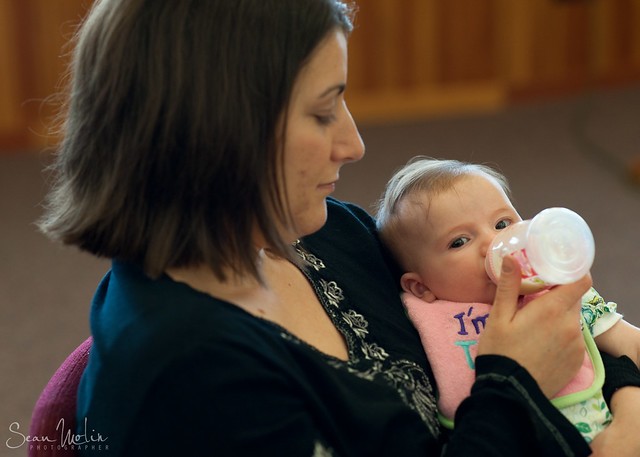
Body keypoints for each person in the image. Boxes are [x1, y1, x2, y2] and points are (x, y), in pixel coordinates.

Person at [37, 0, 640, 455]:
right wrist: (517, 382)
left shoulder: (328, 233)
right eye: (323, 111)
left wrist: (626, 396)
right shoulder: (191, 381)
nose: (353, 144)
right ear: (217, 131)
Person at [376, 156, 640, 443]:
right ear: (420, 286)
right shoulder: (424, 327)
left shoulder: (556, 289)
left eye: (503, 223)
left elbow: (631, 344)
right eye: (459, 241)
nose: (493, 243)